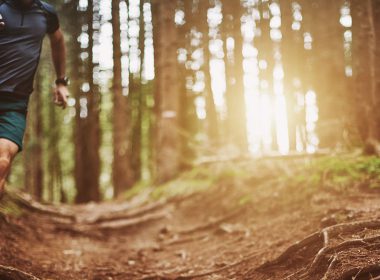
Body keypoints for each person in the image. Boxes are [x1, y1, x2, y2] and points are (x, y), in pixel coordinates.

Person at [0, 0, 69, 198]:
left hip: (15, 103)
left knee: (3, 162)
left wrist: (61, 82)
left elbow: (57, 40)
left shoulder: (46, 13)